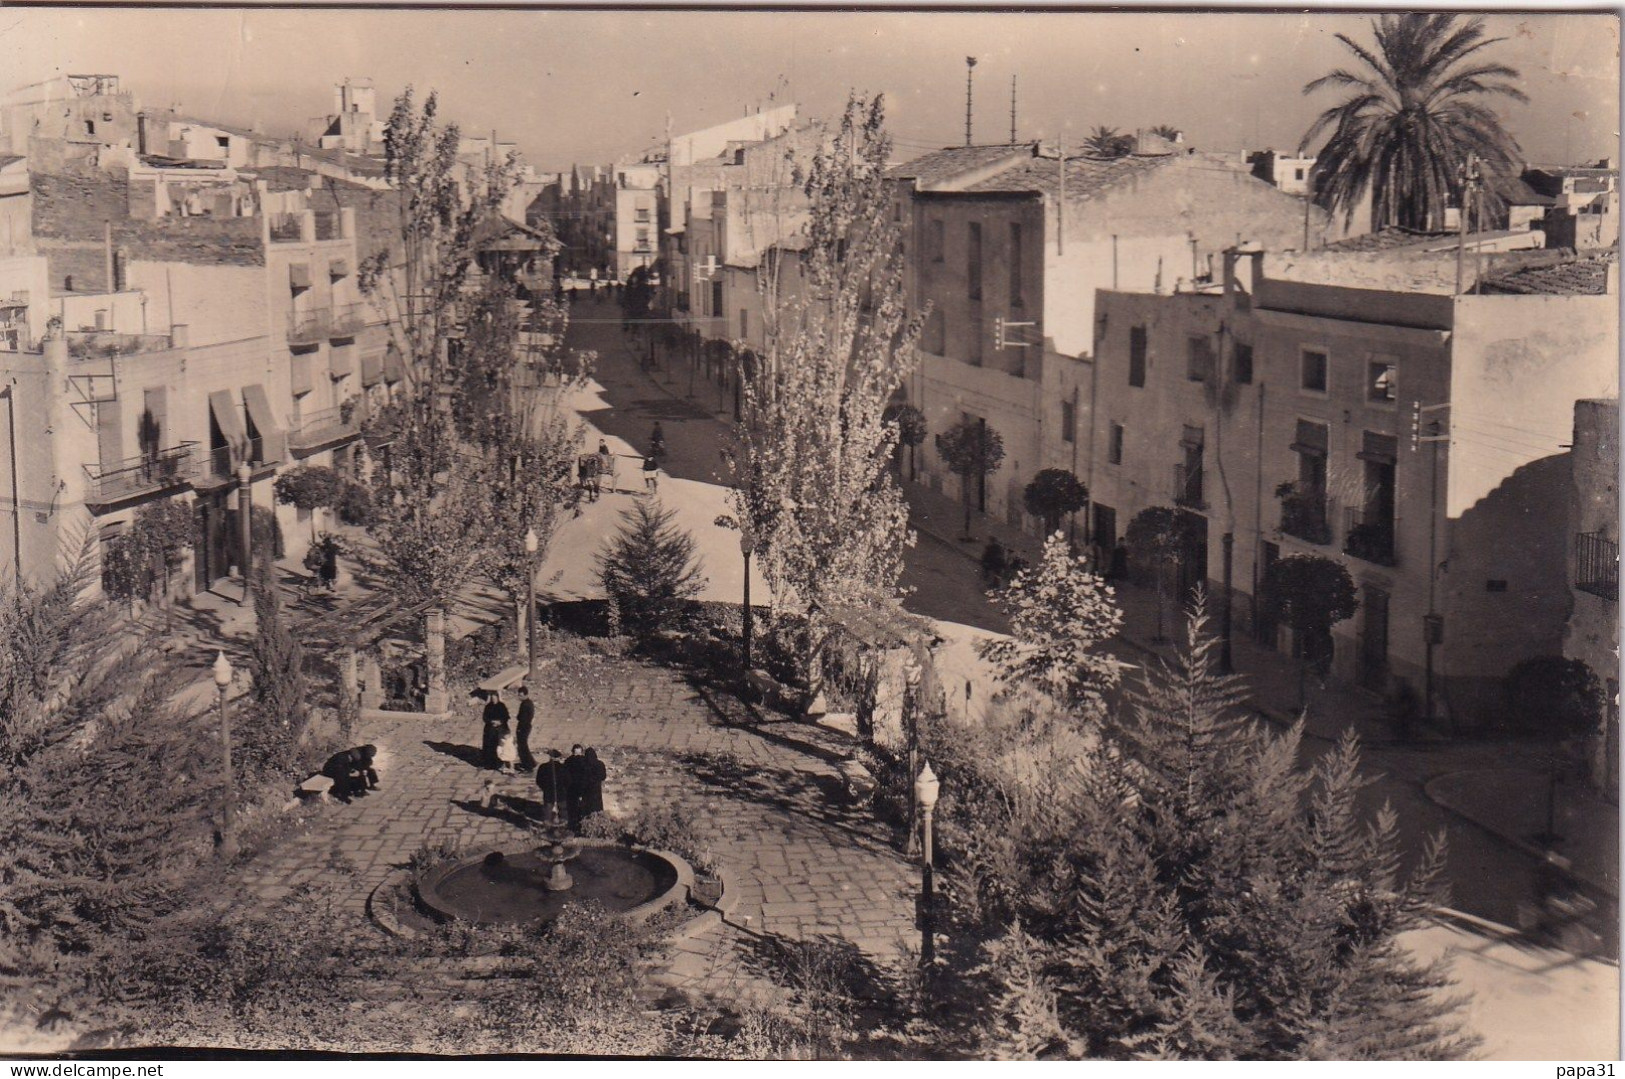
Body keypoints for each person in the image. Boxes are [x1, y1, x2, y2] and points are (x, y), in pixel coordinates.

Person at [536, 748, 570, 821]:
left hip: (548, 793)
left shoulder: (543, 767)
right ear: (558, 758)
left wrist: (545, 788)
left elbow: (539, 781)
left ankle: (547, 826)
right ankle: (564, 825)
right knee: (563, 811)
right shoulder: (563, 767)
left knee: (547, 811)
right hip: (561, 793)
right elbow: (568, 781)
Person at [480, 690, 511, 770]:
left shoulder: (502, 706)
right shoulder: (488, 707)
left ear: (497, 698)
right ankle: (489, 763)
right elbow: (485, 717)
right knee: (489, 746)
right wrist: (491, 722)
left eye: (495, 698)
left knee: (499, 747)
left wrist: (499, 722)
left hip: (500, 729)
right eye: (492, 698)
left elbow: (506, 717)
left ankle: (499, 763)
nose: (494, 700)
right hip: (490, 729)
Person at [563, 744, 589, 832]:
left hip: (571, 789)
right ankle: (582, 826)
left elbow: (565, 776)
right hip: (582, 788)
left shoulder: (568, 761)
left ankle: (572, 827)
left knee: (572, 809)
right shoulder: (585, 761)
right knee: (582, 808)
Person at [513, 684, 537, 771]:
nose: (519, 697)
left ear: (526, 695)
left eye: (521, 695)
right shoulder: (529, 703)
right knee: (524, 746)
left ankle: (527, 764)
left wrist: (519, 730)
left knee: (522, 747)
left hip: (523, 727)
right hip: (527, 726)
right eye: (519, 695)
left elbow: (521, 718)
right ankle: (531, 762)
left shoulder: (525, 705)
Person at [580, 747, 607, 819]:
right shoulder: (600, 764)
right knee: (597, 808)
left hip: (586, 790)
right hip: (596, 789)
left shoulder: (583, 765)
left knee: (587, 810)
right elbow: (603, 776)